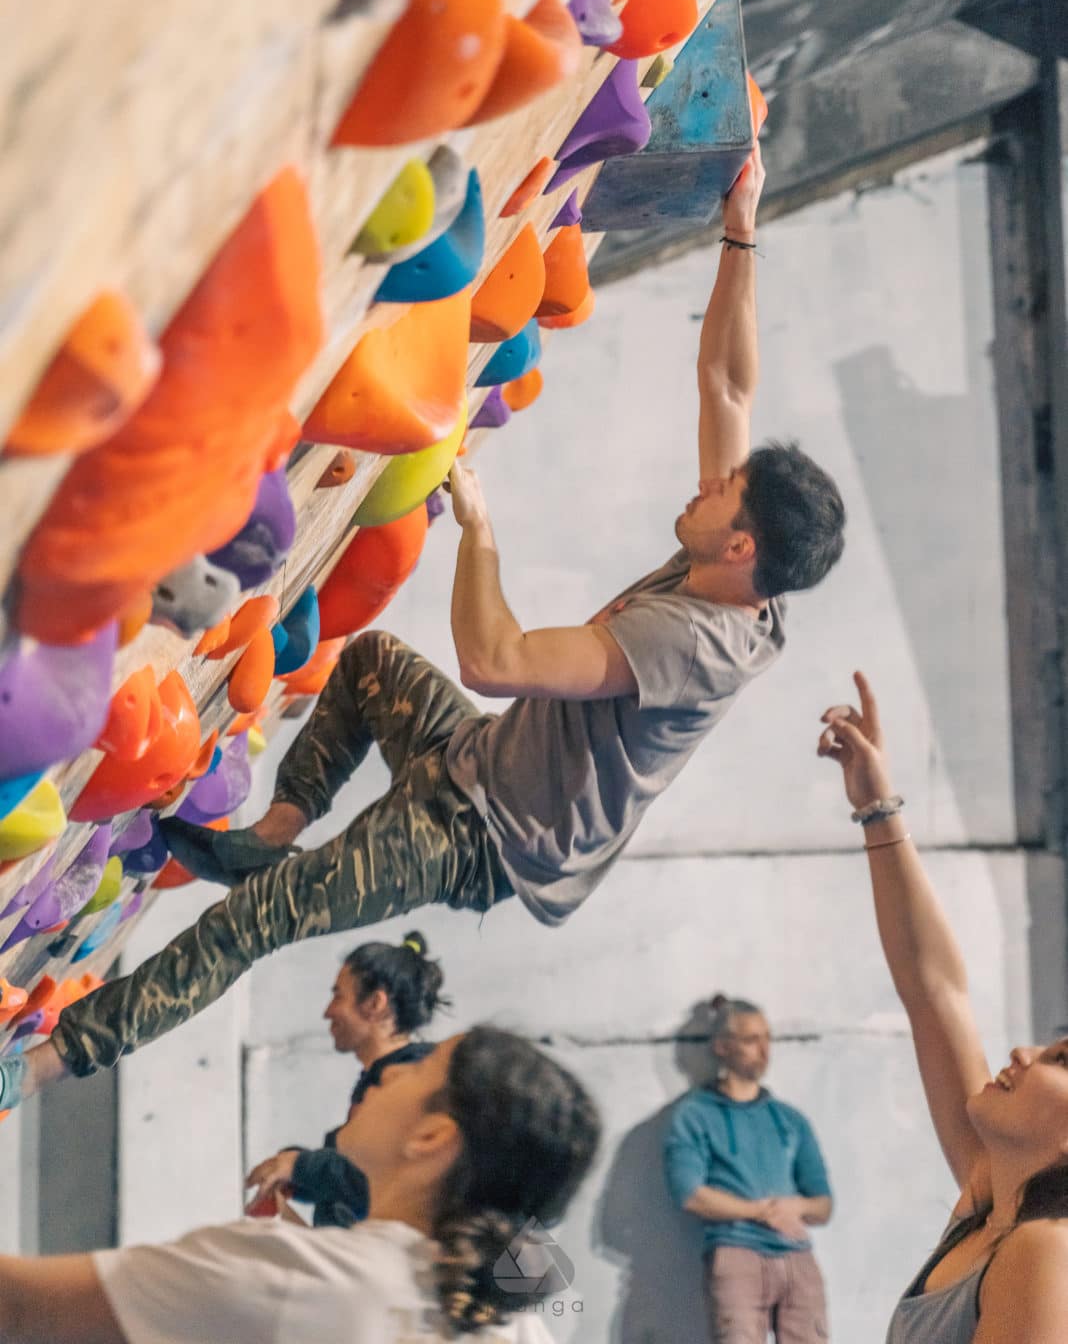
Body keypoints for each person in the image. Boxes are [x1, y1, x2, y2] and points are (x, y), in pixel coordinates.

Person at [2, 144, 846, 1111]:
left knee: (258, 921)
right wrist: (742, 225)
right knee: (368, 663)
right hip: (481, 757)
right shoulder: (737, 568)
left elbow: (496, 660)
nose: (705, 486)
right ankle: (278, 826)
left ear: (741, 549)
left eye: (722, 494)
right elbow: (729, 389)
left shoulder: (691, 644)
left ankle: (40, 1065)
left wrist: (479, 534)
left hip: (480, 835)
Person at [0, 1026, 600, 1343]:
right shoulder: (516, 1329)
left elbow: (18, 1309)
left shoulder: (308, 1280)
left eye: (416, 1068)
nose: (385, 1079)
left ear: (431, 1139)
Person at [817, 671, 1068, 1342]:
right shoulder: (992, 1199)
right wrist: (877, 808)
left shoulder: (1045, 1251)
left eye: (1060, 1061)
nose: (1025, 1051)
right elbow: (935, 995)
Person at [246, 930, 445, 1226]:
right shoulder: (380, 1079)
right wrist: (299, 1178)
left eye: (338, 995)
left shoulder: (413, 1079)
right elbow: (355, 1186)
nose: (328, 1012)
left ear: (375, 1003)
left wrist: (300, 1166)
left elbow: (383, 1177)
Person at [664, 993, 833, 1343]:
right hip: (736, 1254)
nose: (764, 1049)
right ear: (723, 1046)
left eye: (768, 1038)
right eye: (752, 1039)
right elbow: (690, 1194)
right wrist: (760, 1211)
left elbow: (823, 1204)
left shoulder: (789, 1119)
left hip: (797, 1256)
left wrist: (794, 1208)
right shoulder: (695, 1115)